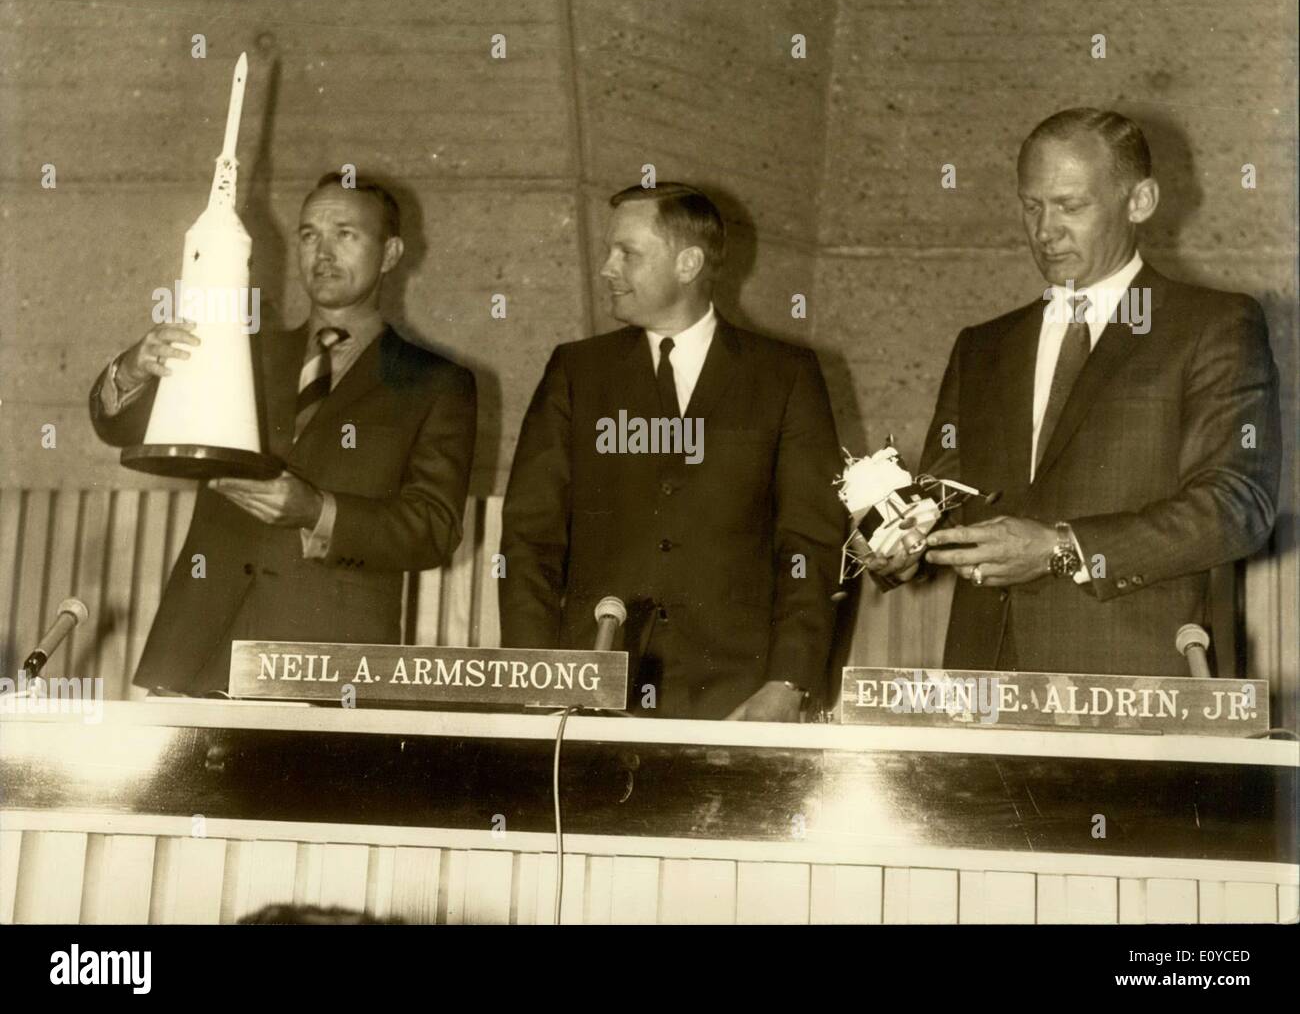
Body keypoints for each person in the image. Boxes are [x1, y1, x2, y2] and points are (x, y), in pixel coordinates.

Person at [873, 108, 1280, 675]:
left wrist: (1062, 547)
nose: (1045, 230)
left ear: (1140, 202)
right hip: (983, 676)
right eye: (1032, 206)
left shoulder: (1213, 324)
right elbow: (946, 498)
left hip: (1139, 675)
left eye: (1071, 206)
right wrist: (902, 544)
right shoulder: (982, 347)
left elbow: (1237, 505)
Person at [89, 173, 478, 694]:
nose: (322, 251)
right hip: (197, 652)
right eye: (309, 234)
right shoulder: (242, 351)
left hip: (331, 662)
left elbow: (434, 529)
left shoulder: (436, 382)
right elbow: (123, 427)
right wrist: (133, 370)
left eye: (346, 233)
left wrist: (317, 512)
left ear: (390, 253)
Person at [499, 182, 844, 720]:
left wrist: (788, 682)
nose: (607, 268)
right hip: (590, 690)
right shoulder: (576, 372)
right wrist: (535, 675)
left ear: (688, 264)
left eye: (627, 254)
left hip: (739, 696)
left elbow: (810, 542)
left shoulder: (785, 376)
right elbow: (528, 536)